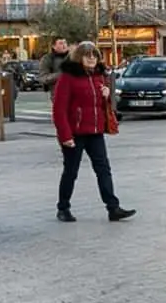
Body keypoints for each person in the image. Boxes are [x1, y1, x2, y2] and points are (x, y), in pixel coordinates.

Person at [51, 41, 135, 223]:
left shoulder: (99, 76)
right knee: (71, 171)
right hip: (75, 133)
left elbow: (100, 107)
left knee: (103, 169)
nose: (91, 58)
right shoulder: (68, 78)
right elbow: (59, 110)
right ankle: (63, 207)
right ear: (78, 57)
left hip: (95, 132)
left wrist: (106, 95)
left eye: (94, 55)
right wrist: (65, 136)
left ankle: (113, 208)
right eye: (87, 55)